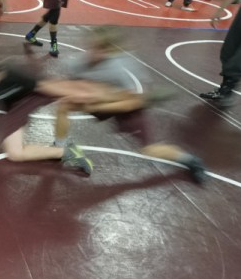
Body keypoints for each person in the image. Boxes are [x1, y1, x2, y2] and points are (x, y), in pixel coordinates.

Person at [54, 26, 207, 183]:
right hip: (101, 99)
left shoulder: (121, 69)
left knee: (149, 149)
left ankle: (191, 161)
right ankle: (59, 147)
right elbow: (70, 86)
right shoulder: (79, 64)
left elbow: (131, 103)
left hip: (128, 108)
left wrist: (97, 106)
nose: (93, 52)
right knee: (64, 105)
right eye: (91, 46)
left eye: (99, 48)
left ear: (110, 50)